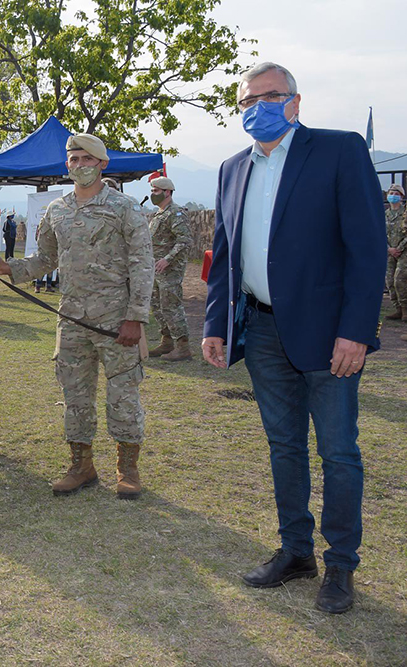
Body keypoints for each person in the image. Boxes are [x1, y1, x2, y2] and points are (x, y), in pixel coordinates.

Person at [201, 63, 386, 614]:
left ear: (295, 102)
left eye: (269, 96)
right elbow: (224, 257)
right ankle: (296, 551)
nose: (256, 106)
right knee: (285, 447)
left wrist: (356, 331)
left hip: (329, 337)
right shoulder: (233, 168)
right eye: (246, 100)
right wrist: (216, 324)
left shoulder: (338, 151)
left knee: (338, 452)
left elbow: (367, 249)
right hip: (260, 330)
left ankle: (341, 567)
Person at [0, 133, 154, 500]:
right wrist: (8, 267)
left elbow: (143, 265)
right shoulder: (57, 211)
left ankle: (128, 469)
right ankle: (82, 466)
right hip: (72, 318)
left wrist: (135, 318)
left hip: (115, 322)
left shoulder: (125, 208)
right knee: (75, 395)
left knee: (123, 396)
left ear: (102, 164)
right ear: (67, 165)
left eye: (86, 159)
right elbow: (44, 261)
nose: (79, 165)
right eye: (74, 159)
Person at [146, 176, 193, 361]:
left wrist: (167, 259)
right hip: (156, 270)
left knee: (171, 307)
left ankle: (183, 347)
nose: (153, 194)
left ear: (167, 192)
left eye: (156, 191)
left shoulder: (176, 213)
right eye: (152, 191)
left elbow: (185, 240)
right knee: (157, 306)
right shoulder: (160, 213)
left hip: (170, 270)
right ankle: (167, 342)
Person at [384, 184, 406, 319]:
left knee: (400, 279)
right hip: (390, 251)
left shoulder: (405, 213)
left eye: (396, 193)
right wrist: (389, 249)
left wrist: (399, 248)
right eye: (391, 193)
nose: (393, 196)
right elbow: (380, 233)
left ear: (402, 197)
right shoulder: (385, 214)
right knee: (390, 280)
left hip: (403, 251)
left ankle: (405, 310)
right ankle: (397, 308)